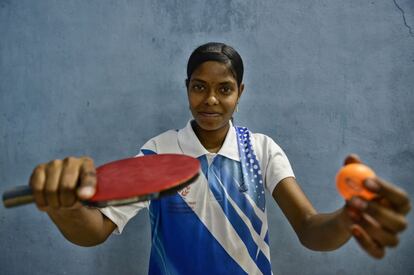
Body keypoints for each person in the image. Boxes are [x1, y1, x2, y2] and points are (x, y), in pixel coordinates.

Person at [29, 42, 410, 275]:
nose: (211, 100)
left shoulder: (261, 149)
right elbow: (95, 230)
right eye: (200, 87)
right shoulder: (158, 152)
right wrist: (67, 210)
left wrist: (348, 217)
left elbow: (310, 229)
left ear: (240, 92)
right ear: (187, 89)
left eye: (224, 89)